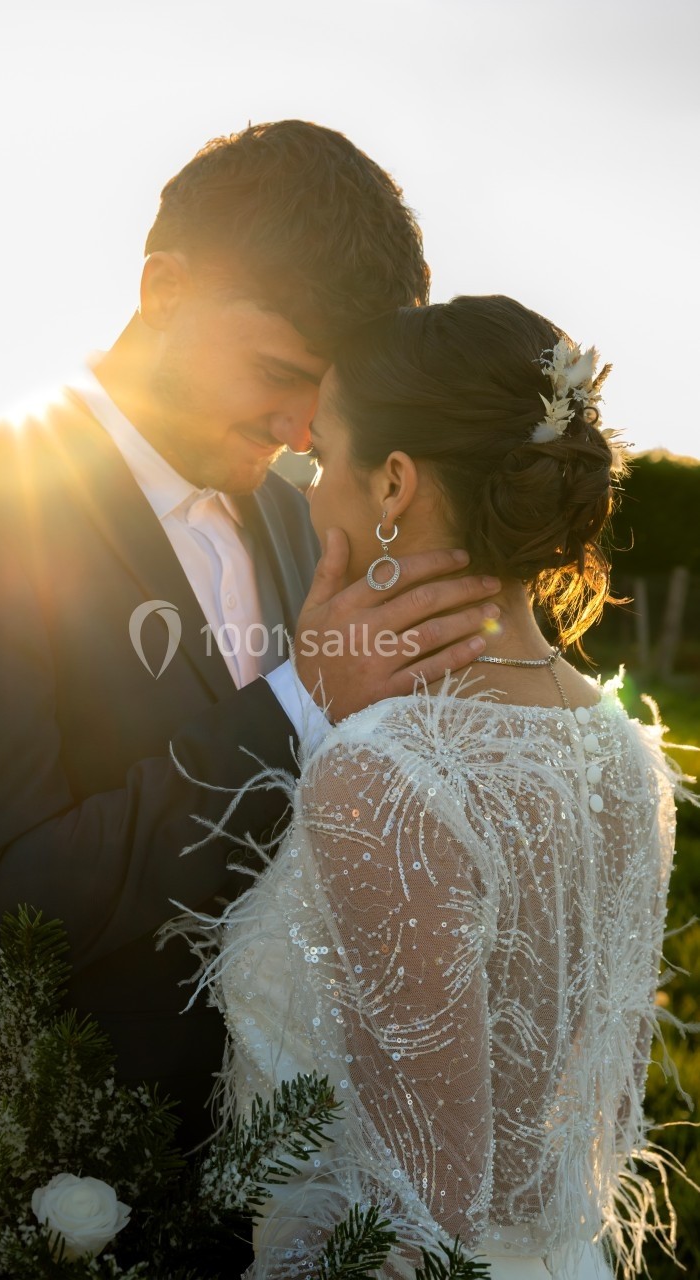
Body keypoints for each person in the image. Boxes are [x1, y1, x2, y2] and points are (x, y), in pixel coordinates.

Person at [0, 121, 500, 1147]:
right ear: (164, 290)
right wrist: (300, 702)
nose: (300, 429)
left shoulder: (299, 519)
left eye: (325, 396)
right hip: (88, 1177)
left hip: (298, 1164)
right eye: (277, 370)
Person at [171, 296, 690, 1278]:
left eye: (323, 458)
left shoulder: (385, 770)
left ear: (394, 482)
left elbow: (418, 1214)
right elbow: (608, 1115)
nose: (310, 491)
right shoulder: (624, 751)